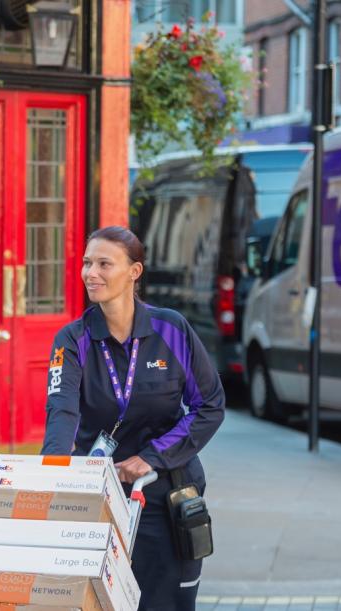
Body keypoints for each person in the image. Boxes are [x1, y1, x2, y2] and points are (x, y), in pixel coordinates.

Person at [41, 226, 225, 610]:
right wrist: (52, 479)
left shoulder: (171, 329)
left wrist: (152, 456)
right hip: (100, 495)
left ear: (134, 272)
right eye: (87, 263)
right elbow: (62, 413)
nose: (91, 273)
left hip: (168, 492)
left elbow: (209, 404)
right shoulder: (72, 340)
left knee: (165, 602)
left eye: (104, 264)